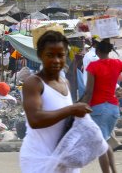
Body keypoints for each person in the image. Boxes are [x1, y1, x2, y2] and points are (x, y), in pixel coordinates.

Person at [20, 31, 92, 173]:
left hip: (64, 158)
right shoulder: (34, 83)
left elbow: (64, 120)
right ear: (40, 55)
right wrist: (71, 110)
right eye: (50, 55)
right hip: (39, 159)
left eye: (61, 55)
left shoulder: (65, 82)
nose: (56, 60)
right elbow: (35, 120)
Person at [81, 38, 122, 173]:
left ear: (97, 51)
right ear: (109, 51)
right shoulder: (117, 63)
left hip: (98, 109)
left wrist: (81, 106)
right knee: (104, 143)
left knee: (100, 146)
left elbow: (89, 92)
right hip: (113, 109)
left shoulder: (93, 66)